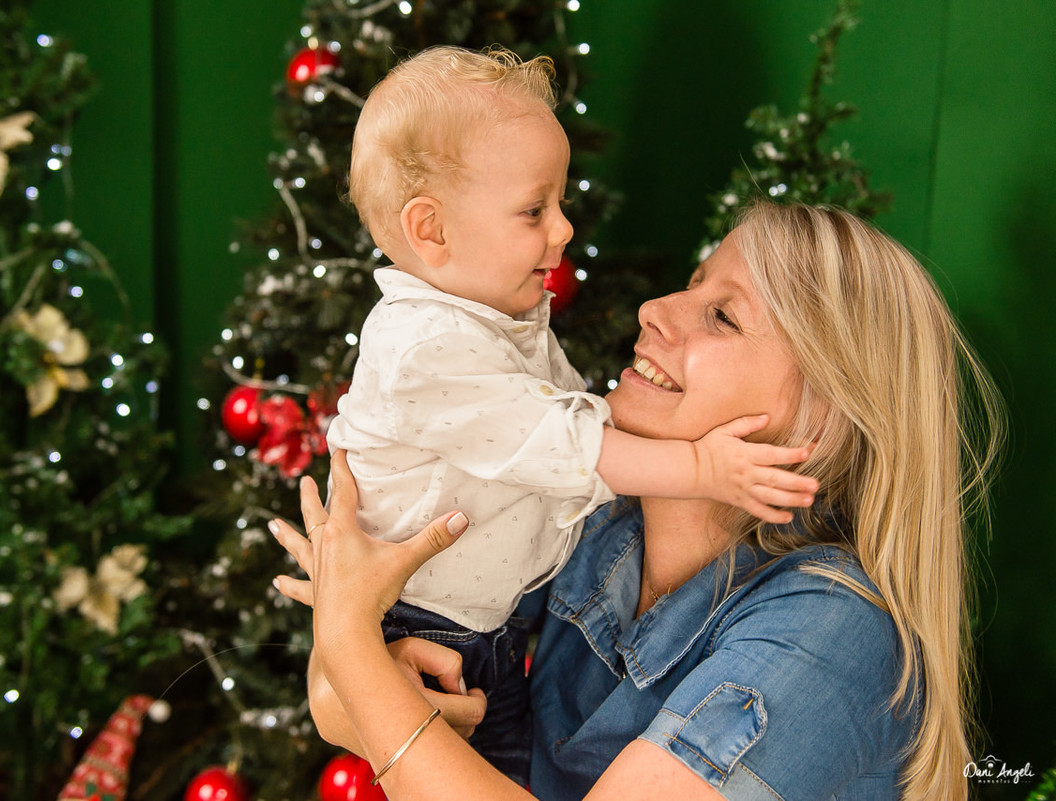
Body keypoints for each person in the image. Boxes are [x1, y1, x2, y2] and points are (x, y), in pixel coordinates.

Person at [272, 201, 1004, 801]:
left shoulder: (834, 632)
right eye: (692, 283)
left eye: (723, 317)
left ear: (823, 419)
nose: (655, 308)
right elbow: (338, 700)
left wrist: (350, 641)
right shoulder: (598, 520)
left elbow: (351, 665)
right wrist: (366, 659)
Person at [329, 46, 818, 781]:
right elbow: (565, 440)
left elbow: (572, 422)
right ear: (431, 230)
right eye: (535, 210)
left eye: (722, 315)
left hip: (476, 624)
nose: (562, 230)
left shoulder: (497, 322)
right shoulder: (425, 346)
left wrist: (342, 647)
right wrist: (700, 466)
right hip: (426, 621)